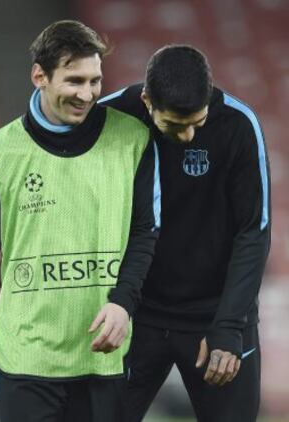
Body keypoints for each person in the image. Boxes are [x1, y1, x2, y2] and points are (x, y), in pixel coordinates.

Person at [0, 20, 160, 422]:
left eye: (95, 81)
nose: (88, 94)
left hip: (103, 356)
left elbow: (145, 232)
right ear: (39, 76)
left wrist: (123, 304)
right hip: (28, 356)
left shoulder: (131, 140)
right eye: (74, 81)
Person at [101, 45, 270, 422]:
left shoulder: (239, 125)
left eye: (198, 121)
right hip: (134, 315)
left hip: (214, 318)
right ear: (147, 101)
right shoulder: (109, 116)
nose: (190, 135)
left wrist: (229, 326)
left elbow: (252, 233)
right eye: (175, 126)